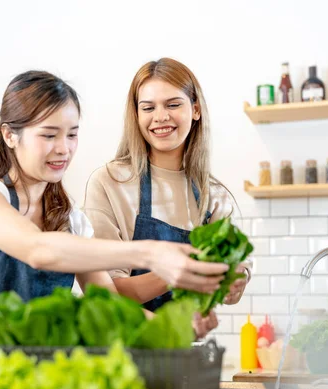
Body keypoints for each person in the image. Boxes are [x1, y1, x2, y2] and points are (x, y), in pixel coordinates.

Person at [0, 70, 229, 389]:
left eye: (72, 135)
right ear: (10, 136)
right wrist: (149, 253)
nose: (64, 149)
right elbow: (37, 249)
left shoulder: (71, 220)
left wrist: (174, 326)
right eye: (49, 135)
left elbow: (108, 306)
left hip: (34, 386)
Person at [83, 58, 251, 337]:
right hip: (122, 348)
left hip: (185, 350)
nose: (160, 117)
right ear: (136, 115)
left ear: (195, 109)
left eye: (173, 104)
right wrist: (179, 271)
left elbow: (228, 289)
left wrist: (235, 280)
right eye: (148, 107)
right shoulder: (110, 183)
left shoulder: (214, 196)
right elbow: (109, 292)